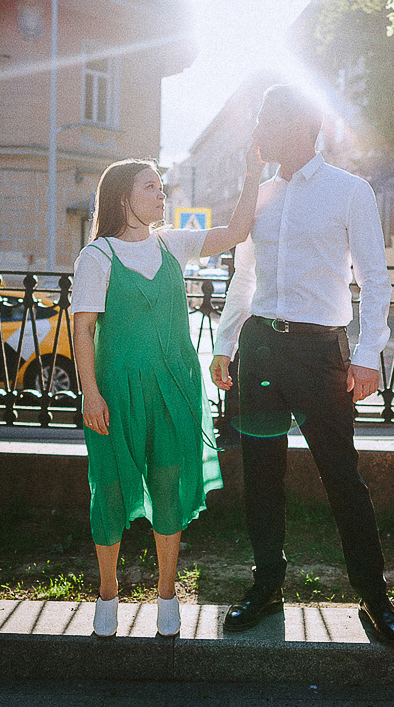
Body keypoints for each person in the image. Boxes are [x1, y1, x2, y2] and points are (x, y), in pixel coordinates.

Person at [209, 85, 394, 646]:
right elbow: (243, 279)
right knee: (261, 480)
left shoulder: (350, 191)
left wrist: (367, 356)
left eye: (267, 120)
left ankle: (374, 596)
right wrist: (225, 345)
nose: (257, 132)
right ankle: (267, 586)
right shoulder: (262, 196)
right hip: (262, 350)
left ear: (301, 126)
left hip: (321, 353)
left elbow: (375, 277)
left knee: (343, 479)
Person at [72, 155, 261, 638]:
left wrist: (253, 169)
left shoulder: (173, 244)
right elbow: (83, 328)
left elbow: (238, 230)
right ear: (122, 197)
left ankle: (167, 594)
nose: (162, 195)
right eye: (151, 187)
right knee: (110, 491)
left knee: (169, 490)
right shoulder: (97, 257)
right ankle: (108, 593)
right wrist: (89, 394)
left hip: (176, 389)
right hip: (117, 394)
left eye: (161, 187)